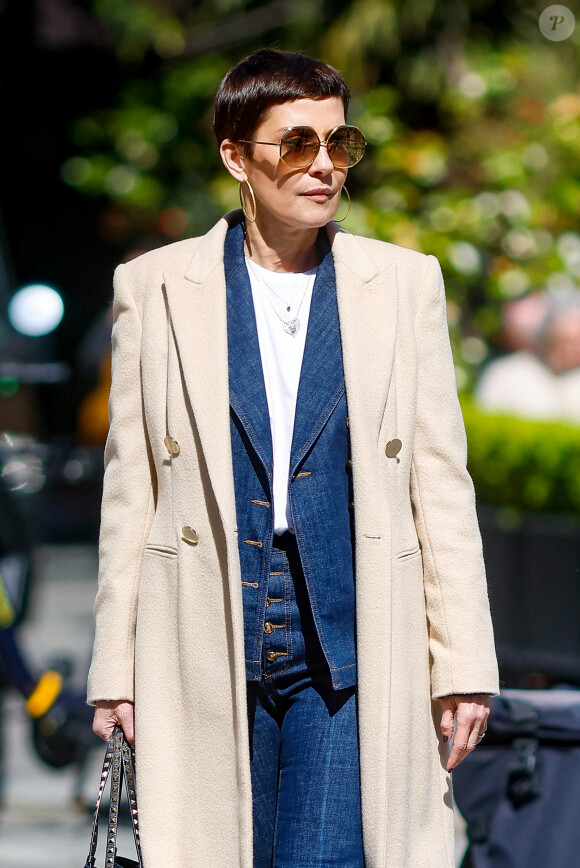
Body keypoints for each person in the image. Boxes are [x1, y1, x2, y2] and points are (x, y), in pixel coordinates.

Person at [88, 48, 498, 868]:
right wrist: (113, 669)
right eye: (297, 143)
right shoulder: (157, 286)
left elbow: (439, 483)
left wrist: (463, 661)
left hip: (351, 638)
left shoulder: (403, 283)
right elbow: (132, 488)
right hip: (198, 630)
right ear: (236, 155)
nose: (323, 167)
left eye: (339, 145)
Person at [476, 292, 580, 423]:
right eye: (566, 342)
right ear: (548, 338)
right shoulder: (505, 374)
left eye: (578, 342)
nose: (574, 350)